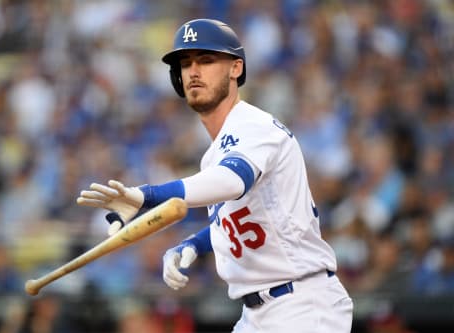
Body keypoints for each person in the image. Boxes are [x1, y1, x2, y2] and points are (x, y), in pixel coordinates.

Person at [77, 18, 353, 333]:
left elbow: (231, 181)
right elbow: (239, 219)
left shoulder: (253, 125)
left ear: (236, 68)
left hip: (302, 305)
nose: (193, 71)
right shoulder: (214, 155)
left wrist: (146, 196)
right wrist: (192, 245)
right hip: (258, 315)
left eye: (206, 60)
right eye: (185, 63)